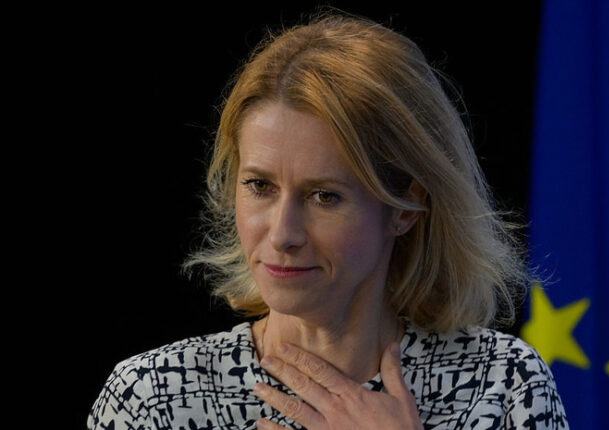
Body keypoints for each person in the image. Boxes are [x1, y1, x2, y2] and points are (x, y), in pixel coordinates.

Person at [87, 8, 568, 430]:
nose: (282, 234)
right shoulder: (152, 399)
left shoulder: (503, 385)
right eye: (259, 186)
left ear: (404, 207)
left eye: (324, 196)